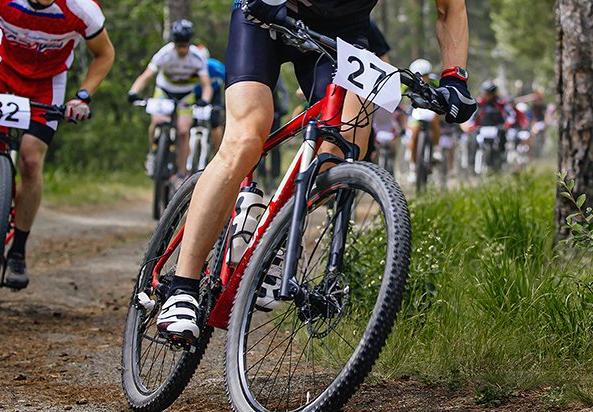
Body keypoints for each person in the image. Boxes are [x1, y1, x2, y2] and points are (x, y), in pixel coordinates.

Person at [155, 0, 477, 343]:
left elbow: (450, 8)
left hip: (344, 32)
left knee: (343, 145)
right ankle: (182, 287)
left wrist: (454, 77)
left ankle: (270, 238)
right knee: (246, 137)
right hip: (265, 15)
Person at [0, 0, 115, 290]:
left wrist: (82, 96)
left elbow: (104, 53)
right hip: (1, 72)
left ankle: (17, 252)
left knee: (30, 160)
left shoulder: (81, 10)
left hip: (47, 83)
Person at [127, 20, 213, 183]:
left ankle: (181, 172)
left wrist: (204, 100)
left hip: (186, 94)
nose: (182, 49)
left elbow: (206, 85)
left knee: (183, 131)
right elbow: (145, 76)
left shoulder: (197, 57)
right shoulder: (164, 54)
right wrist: (133, 92)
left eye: (185, 45)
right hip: (164, 91)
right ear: (173, 43)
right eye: (178, 45)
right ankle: (153, 154)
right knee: (158, 121)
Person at [406, 58, 442, 184]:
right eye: (420, 76)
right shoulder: (407, 83)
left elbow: (442, 93)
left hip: (431, 109)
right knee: (414, 135)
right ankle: (413, 168)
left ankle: (437, 149)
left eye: (425, 75)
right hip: (415, 111)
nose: (423, 78)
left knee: (434, 121)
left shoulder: (435, 81)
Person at [193, 45, 226, 153]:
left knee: (215, 122)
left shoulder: (216, 67)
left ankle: (217, 152)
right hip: (195, 94)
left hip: (214, 93)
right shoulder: (189, 67)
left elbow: (230, 81)